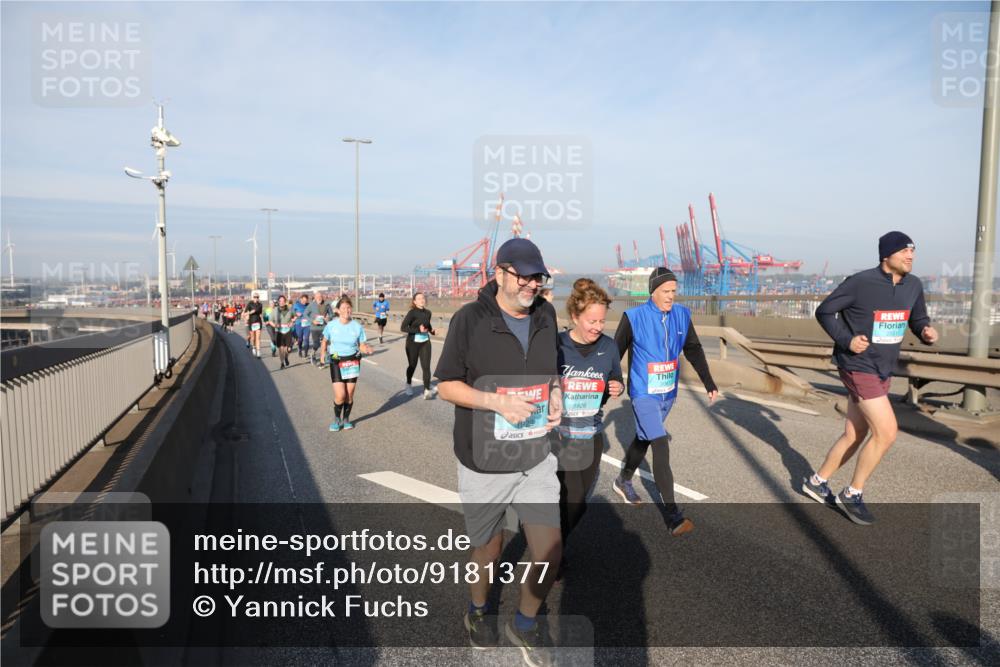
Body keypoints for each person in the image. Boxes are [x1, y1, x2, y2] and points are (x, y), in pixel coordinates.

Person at [435, 238, 562, 665]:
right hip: (484, 459)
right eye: (524, 275)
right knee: (488, 546)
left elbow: (553, 373)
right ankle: (477, 609)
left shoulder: (546, 314)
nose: (532, 284)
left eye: (537, 276)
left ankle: (525, 622)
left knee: (549, 547)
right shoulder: (469, 320)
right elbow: (447, 385)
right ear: (499, 272)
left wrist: (557, 397)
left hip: (536, 454)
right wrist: (496, 401)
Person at [803, 231, 937, 525]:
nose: (910, 257)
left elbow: (917, 318)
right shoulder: (860, 282)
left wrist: (925, 331)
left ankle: (816, 481)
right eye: (905, 252)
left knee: (856, 433)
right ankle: (852, 493)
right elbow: (825, 311)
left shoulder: (914, 285)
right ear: (887, 255)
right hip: (857, 364)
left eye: (913, 252)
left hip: (883, 368)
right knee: (887, 432)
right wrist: (846, 340)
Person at [611, 267, 718, 536]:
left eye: (674, 291)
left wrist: (709, 382)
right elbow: (615, 353)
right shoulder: (634, 317)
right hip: (643, 392)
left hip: (667, 393)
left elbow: (693, 348)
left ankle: (623, 480)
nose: (671, 296)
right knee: (659, 442)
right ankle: (673, 516)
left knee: (644, 438)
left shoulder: (682, 315)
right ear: (653, 291)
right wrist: (609, 385)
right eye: (666, 291)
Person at [555, 279, 624, 577]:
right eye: (591, 321)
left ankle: (549, 541)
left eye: (602, 320)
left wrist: (616, 387)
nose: (598, 327)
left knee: (579, 503)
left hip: (591, 434)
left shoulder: (608, 347)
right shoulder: (556, 345)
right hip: (558, 435)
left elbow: (613, 382)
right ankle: (552, 555)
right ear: (575, 317)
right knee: (564, 498)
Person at [320, 296, 374, 431]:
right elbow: (325, 341)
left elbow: (361, 345)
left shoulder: (357, 326)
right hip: (336, 359)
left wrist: (366, 348)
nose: (347, 310)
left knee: (349, 395)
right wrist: (322, 354)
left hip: (353, 360)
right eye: (343, 308)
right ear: (338, 310)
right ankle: (337, 419)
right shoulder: (331, 325)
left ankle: (346, 419)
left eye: (349, 308)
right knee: (340, 395)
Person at [400, 292, 437, 398]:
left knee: (426, 367)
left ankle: (426, 390)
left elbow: (427, 324)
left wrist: (431, 331)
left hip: (425, 342)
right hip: (412, 343)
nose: (422, 300)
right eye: (419, 298)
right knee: (412, 365)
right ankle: (408, 383)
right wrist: (417, 330)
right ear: (414, 301)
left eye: (423, 298)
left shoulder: (428, 312)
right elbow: (403, 327)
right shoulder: (412, 313)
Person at [305, 292, 334, 367]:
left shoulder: (326, 304)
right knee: (317, 344)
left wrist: (328, 317)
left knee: (325, 343)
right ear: (315, 297)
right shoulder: (311, 305)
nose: (319, 298)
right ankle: (313, 353)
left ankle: (323, 360)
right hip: (314, 328)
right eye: (317, 296)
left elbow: (331, 314)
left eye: (320, 296)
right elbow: (305, 314)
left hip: (324, 327)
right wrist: (312, 320)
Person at [273, 295, 296, 368]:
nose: (282, 302)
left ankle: (286, 357)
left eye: (283, 301)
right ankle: (282, 362)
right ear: (278, 302)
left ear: (285, 302)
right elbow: (270, 320)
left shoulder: (290, 309)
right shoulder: (275, 310)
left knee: (288, 349)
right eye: (280, 301)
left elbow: (295, 316)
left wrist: (292, 322)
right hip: (279, 332)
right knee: (281, 348)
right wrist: (274, 325)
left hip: (288, 331)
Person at [244, 293, 264, 358]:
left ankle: (258, 352)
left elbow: (259, 312)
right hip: (251, 322)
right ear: (253, 297)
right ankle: (254, 347)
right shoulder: (249, 304)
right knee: (253, 338)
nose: (256, 298)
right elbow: (245, 313)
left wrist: (263, 319)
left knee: (258, 338)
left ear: (258, 298)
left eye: (257, 297)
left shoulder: (260, 305)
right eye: (255, 297)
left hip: (258, 322)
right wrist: (248, 314)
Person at [293, 293, 311, 357]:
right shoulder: (296, 305)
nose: (304, 302)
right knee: (300, 339)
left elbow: (312, 313)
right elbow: (291, 312)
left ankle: (306, 352)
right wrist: (296, 314)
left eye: (306, 301)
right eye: (303, 300)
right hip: (299, 324)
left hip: (307, 324)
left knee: (306, 338)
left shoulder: (309, 305)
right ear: (301, 299)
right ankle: (300, 349)